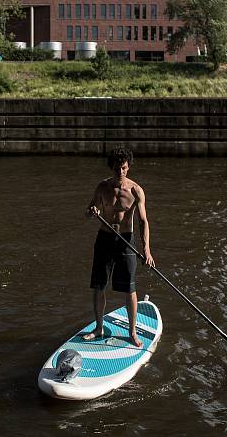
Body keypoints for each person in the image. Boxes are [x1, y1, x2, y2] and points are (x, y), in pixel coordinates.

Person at [85, 147, 155, 348]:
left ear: (128, 167)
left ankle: (132, 332)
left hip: (126, 240)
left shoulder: (136, 190)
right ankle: (99, 328)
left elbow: (143, 221)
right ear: (111, 168)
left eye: (124, 168)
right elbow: (88, 212)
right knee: (99, 286)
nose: (121, 173)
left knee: (130, 289)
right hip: (105, 240)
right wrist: (92, 211)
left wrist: (146, 250)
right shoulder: (102, 187)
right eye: (117, 169)